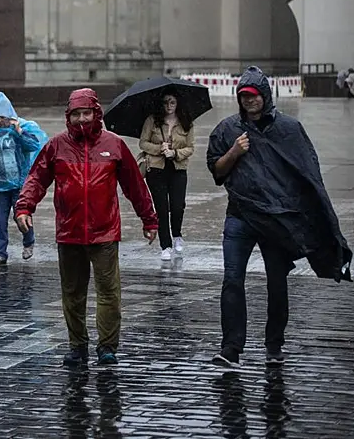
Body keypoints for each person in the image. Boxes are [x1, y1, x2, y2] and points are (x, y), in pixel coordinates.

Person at [206, 66, 351, 368]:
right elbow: (217, 172)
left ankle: (274, 344)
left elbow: (307, 176)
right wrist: (234, 151)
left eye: (255, 95)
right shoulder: (227, 130)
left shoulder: (289, 129)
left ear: (266, 95)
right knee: (232, 279)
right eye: (244, 96)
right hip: (240, 217)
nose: (249, 101)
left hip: (276, 221)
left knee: (276, 282)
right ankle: (231, 348)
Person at [14, 88, 158, 367]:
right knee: (72, 293)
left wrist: (149, 218)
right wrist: (24, 207)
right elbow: (36, 178)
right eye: (76, 114)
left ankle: (107, 346)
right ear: (68, 116)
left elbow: (134, 186)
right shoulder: (56, 146)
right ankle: (77, 345)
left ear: (96, 114)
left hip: (104, 231)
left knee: (108, 293)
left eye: (86, 113)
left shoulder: (114, 145)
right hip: (69, 232)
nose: (81, 119)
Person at [0, 92, 48, 264]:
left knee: (20, 216)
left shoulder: (20, 130)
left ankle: (28, 241)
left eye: (3, 117)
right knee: (0, 221)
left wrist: (18, 132)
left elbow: (33, 145)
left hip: (18, 185)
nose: (0, 121)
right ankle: (1, 252)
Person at [138, 88, 195, 269]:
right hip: (156, 168)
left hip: (178, 168)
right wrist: (159, 149)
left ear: (178, 104)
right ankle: (165, 245)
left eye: (172, 102)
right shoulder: (152, 121)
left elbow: (190, 147)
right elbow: (143, 143)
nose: (169, 106)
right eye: (165, 102)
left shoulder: (187, 123)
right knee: (161, 208)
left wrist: (175, 153)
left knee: (178, 206)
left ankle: (177, 234)